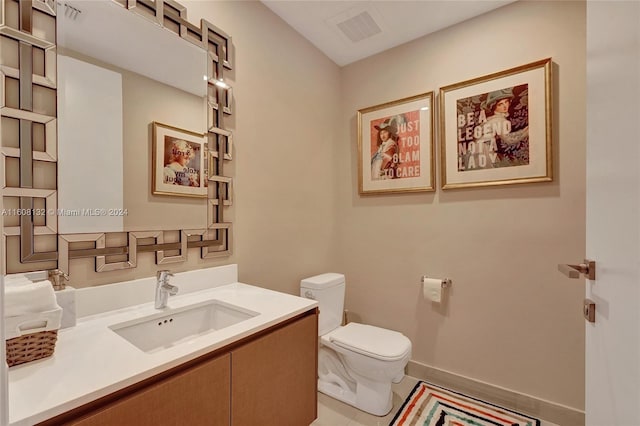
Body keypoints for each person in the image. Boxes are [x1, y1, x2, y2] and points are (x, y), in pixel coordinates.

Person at [461, 88, 529, 170]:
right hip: (483, 150)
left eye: (506, 102)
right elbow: (509, 139)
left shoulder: (491, 119)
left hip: (475, 150)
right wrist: (526, 131)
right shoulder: (499, 120)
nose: (505, 106)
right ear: (494, 106)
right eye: (500, 104)